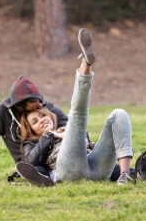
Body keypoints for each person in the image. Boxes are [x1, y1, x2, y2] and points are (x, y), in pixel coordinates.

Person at [15, 28, 135, 186]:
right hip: (70, 171)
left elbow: (80, 137)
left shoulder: (65, 128)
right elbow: (30, 161)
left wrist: (83, 140)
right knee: (78, 115)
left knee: (119, 114)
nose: (41, 120)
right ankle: (85, 65)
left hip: (97, 169)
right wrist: (51, 136)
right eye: (35, 122)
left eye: (42, 115)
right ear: (31, 130)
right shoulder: (32, 143)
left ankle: (125, 175)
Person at [0, 75, 68, 179]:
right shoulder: (0, 113)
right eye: (33, 101)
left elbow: (76, 129)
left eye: (38, 99)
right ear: (19, 104)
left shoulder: (47, 108)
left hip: (55, 158)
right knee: (35, 168)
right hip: (29, 164)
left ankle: (55, 174)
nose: (38, 104)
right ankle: (39, 176)